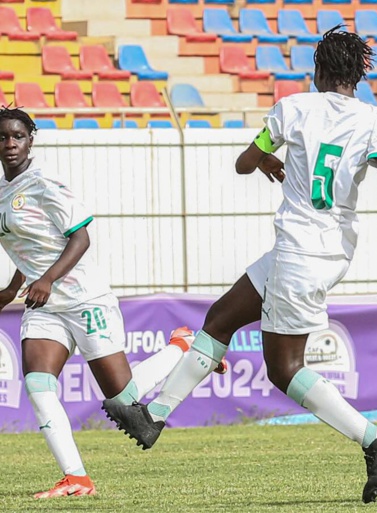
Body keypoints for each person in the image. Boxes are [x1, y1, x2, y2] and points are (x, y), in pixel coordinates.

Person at [101, 26, 377, 504]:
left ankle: (374, 439)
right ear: (357, 75)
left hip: (300, 249)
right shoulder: (376, 119)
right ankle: (154, 418)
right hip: (329, 248)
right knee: (220, 319)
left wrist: (267, 161)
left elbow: (245, 163)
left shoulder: (293, 108)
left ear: (318, 71)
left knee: (284, 369)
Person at [0, 106, 192, 498]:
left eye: (17, 136)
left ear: (31, 139)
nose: (9, 144)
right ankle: (77, 478)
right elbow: (28, 248)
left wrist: (49, 280)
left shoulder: (44, 183)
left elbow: (80, 237)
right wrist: (12, 288)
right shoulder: (3, 193)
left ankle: (183, 345)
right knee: (38, 384)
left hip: (83, 298)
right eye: (3, 138)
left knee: (123, 400)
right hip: (45, 308)